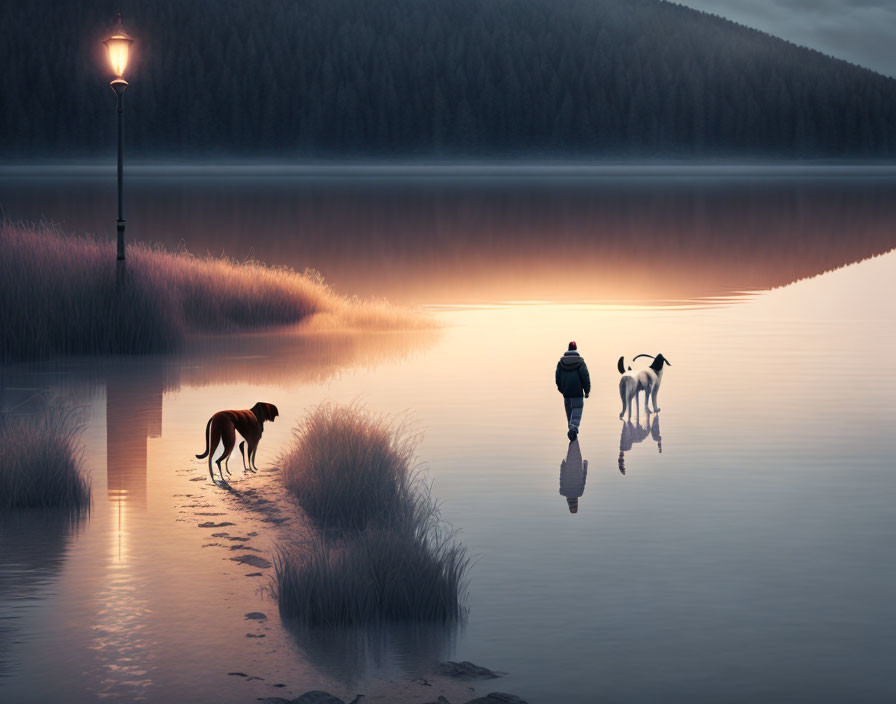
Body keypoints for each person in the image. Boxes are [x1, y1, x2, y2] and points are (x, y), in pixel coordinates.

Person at [555, 341, 591, 441]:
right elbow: (585, 377)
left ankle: (571, 429)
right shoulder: (580, 362)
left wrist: (561, 389)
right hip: (577, 393)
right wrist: (587, 391)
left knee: (569, 412)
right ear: (576, 349)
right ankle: (573, 429)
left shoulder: (561, 363)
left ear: (568, 349)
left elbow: (557, 378)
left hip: (566, 393)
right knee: (577, 410)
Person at [559, 439, 588, 514]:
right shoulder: (563, 491)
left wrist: (585, 465)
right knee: (572, 447)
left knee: (575, 445)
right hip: (569, 467)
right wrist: (562, 465)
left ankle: (573, 430)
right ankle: (573, 430)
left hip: (577, 467)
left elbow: (584, 479)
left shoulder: (579, 493)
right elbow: (562, 478)